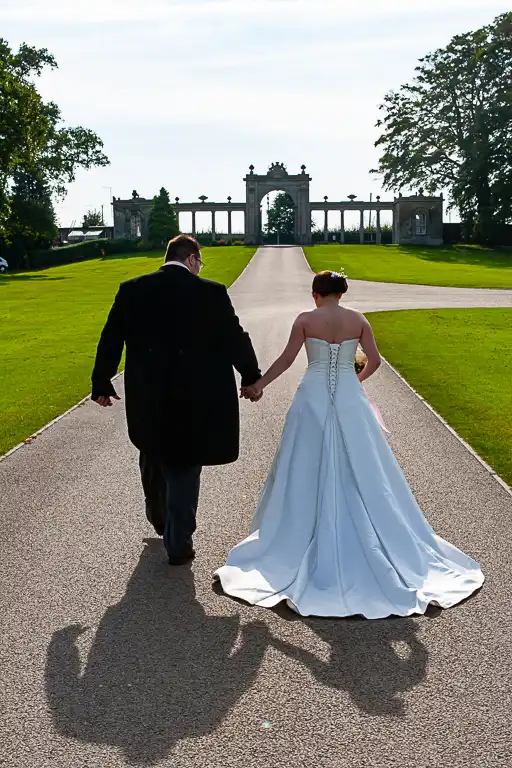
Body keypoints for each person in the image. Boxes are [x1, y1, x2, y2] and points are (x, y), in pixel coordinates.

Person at [215, 270, 484, 618]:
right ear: (341, 293)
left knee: (304, 462)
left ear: (315, 294)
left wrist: (258, 385)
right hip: (349, 396)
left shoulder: (306, 319)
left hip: (311, 397)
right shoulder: (357, 320)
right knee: (363, 461)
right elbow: (375, 360)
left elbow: (286, 360)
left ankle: (299, 531)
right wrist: (354, 379)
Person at [91, 234, 261, 565]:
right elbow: (233, 336)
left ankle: (160, 517)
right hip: (197, 396)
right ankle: (178, 539)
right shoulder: (211, 292)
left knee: (152, 452)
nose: (200, 268)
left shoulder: (132, 289)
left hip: (148, 393)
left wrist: (101, 382)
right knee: (184, 464)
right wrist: (251, 376)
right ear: (191, 259)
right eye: (199, 262)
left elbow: (111, 338)